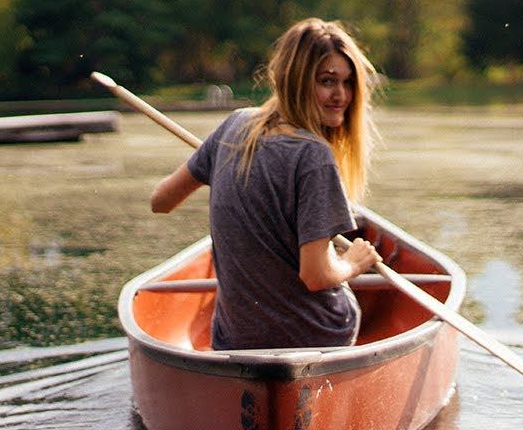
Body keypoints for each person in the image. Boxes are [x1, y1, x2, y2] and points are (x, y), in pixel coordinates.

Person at [149, 18, 382, 350]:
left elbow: (160, 200)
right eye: (327, 81)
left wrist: (217, 163)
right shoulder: (314, 155)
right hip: (315, 336)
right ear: (296, 81)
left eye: (348, 83)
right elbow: (316, 276)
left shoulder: (235, 125)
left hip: (236, 342)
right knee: (337, 275)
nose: (340, 95)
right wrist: (353, 263)